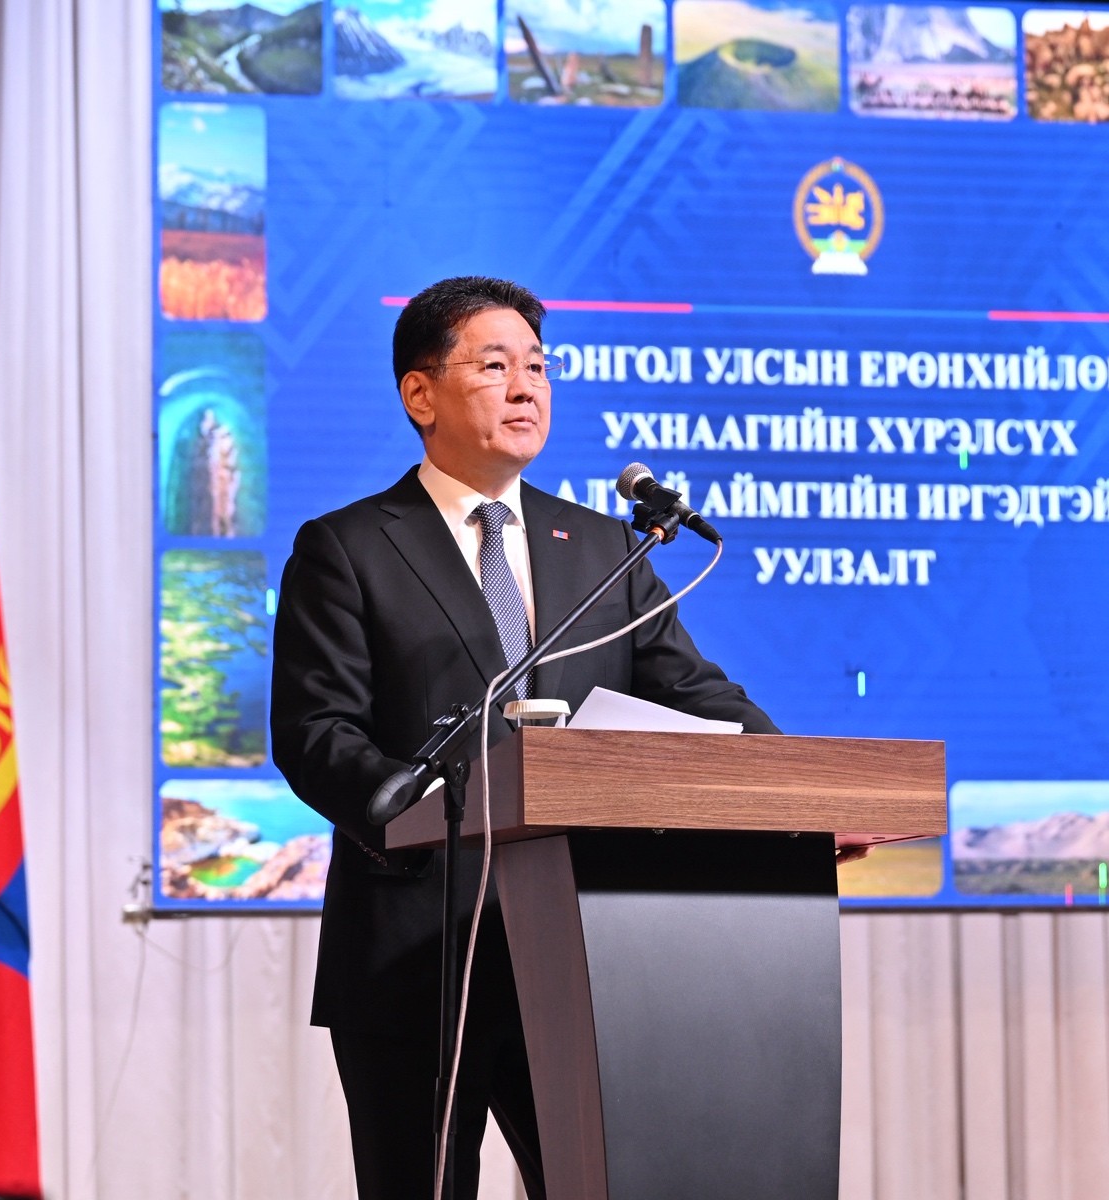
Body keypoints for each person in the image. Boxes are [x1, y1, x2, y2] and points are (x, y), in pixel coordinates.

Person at [270, 276, 777, 1200]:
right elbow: (315, 731)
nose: (526, 387)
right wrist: (431, 811)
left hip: (582, 948)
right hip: (418, 946)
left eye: (538, 368)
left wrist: (790, 789)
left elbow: (697, 695)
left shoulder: (605, 549)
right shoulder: (347, 548)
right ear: (420, 394)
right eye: (495, 365)